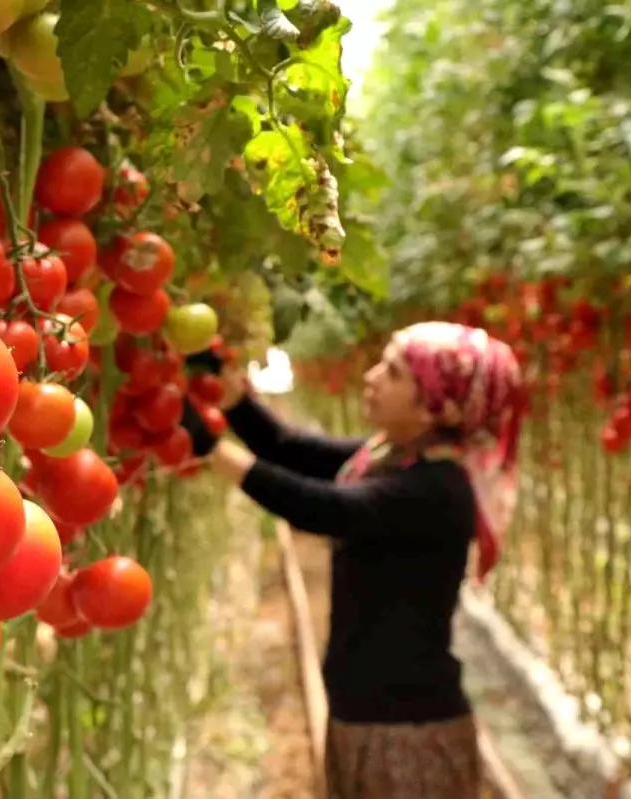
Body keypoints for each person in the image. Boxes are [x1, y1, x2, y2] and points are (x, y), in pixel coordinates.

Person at [180, 321, 524, 799]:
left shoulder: (438, 488)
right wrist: (230, 398)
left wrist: (211, 447)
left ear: (433, 404)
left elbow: (323, 508)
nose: (371, 376)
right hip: (372, 716)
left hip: (406, 734)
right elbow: (289, 449)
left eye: (395, 372)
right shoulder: (393, 456)